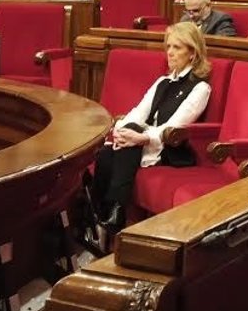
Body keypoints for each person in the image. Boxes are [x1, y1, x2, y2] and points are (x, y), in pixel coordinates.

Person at [87, 23, 212, 230]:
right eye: (168, 46)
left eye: (177, 47)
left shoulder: (200, 88)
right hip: (140, 142)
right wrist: (121, 131)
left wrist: (141, 137)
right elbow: (139, 112)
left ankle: (110, 211)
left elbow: (175, 126)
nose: (170, 52)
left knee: (128, 139)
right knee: (106, 153)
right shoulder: (163, 81)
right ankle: (104, 213)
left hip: (169, 148)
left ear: (193, 53)